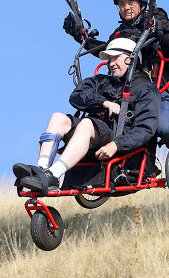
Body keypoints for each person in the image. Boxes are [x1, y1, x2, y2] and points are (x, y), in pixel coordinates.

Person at [13, 38, 161, 192]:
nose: (111, 63)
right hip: (94, 137)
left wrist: (116, 144)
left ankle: (54, 175)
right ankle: (41, 171)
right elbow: (76, 96)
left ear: (131, 59)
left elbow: (145, 129)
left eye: (115, 57)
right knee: (58, 117)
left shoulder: (146, 90)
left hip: (121, 146)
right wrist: (104, 102)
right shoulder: (102, 81)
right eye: (109, 59)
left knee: (86, 124)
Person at [63, 0, 169, 148]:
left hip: (159, 90)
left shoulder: (158, 24)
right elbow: (106, 51)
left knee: (164, 127)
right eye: (122, 4)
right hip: (126, 92)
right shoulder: (119, 34)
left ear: (142, 5)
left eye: (131, 3)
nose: (126, 7)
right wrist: (82, 38)